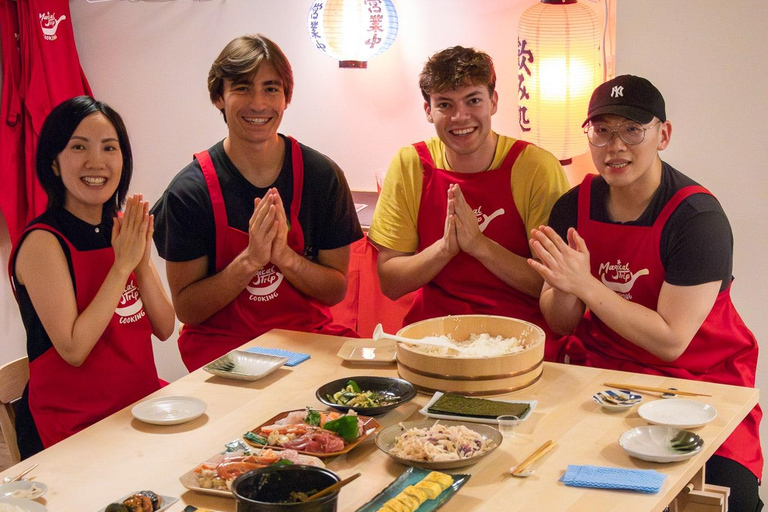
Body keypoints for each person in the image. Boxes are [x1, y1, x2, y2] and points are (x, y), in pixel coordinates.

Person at [529, 75, 763, 510]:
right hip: (601, 380)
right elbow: (560, 321)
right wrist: (564, 286)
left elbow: (670, 342)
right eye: (602, 131)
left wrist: (585, 284)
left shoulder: (697, 219)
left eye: (632, 129)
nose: (615, 146)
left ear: (663, 134)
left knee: (730, 498)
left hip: (699, 385)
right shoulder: (571, 206)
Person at [151, 34, 362, 371]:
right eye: (243, 88)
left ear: (286, 97)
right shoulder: (189, 193)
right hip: (225, 353)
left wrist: (284, 258)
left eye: (271, 88)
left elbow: (335, 290)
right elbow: (187, 309)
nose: (259, 104)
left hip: (307, 340)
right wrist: (250, 260)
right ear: (219, 97)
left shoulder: (322, 176)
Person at [368, 45, 569, 357]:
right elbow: (391, 283)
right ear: (428, 110)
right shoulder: (412, 164)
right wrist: (445, 249)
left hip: (520, 339)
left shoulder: (536, 167)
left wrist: (480, 246)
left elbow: (554, 287)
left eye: (473, 100)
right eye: (445, 104)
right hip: (433, 340)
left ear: (493, 102)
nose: (460, 117)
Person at [9, 96, 175, 458]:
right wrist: (121, 267)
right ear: (53, 162)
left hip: (139, 408)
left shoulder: (121, 228)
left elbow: (164, 327)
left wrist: (141, 263)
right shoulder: (43, 241)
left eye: (109, 148)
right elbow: (73, 348)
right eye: (78, 147)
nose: (96, 162)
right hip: (74, 428)